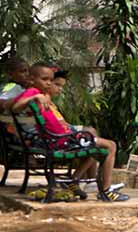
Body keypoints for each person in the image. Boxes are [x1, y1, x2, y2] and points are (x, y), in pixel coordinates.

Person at [10, 63, 129, 202]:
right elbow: (15, 107)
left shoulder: (41, 94)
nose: (48, 83)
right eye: (44, 79)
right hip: (62, 141)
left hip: (62, 139)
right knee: (111, 146)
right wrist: (34, 98)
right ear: (31, 79)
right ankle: (107, 190)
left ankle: (74, 179)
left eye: (50, 79)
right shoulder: (33, 93)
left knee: (94, 147)